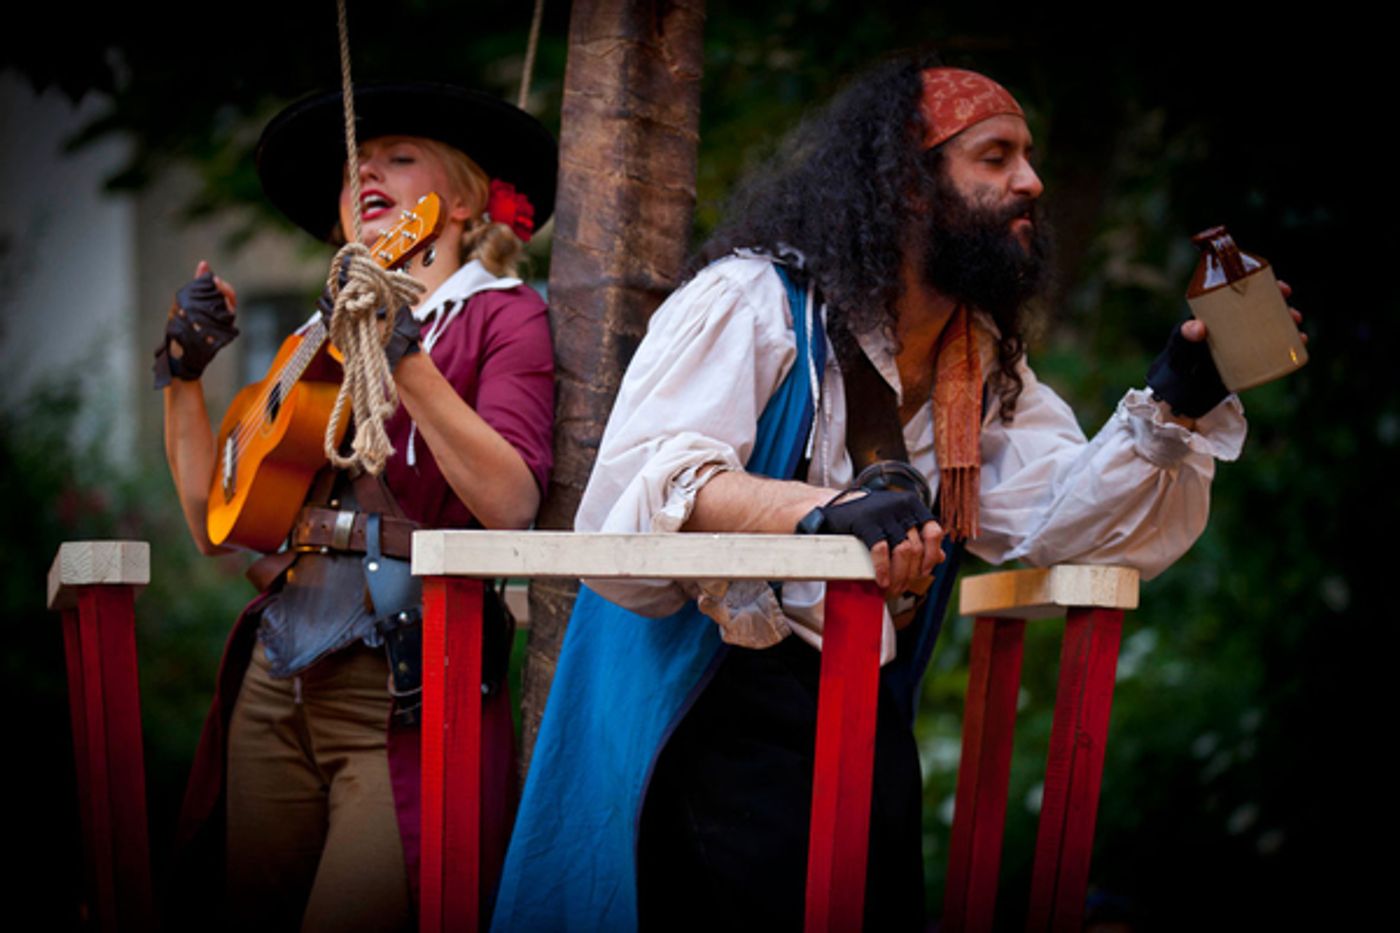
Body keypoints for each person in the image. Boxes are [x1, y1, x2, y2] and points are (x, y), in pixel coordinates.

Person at [492, 55, 1303, 931]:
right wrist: (820, 514)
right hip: (707, 710)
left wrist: (1178, 394)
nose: (1030, 180)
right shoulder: (753, 301)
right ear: (910, 186)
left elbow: (1064, 519)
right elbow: (645, 485)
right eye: (994, 157)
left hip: (863, 712)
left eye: (1027, 155)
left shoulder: (979, 359)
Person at [157, 83, 557, 931]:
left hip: (406, 688)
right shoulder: (315, 339)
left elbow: (513, 501)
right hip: (277, 676)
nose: (365, 168)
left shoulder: (503, 315)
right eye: (353, 166)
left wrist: (403, 354)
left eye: (398, 156)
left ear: (462, 200)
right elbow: (211, 523)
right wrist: (183, 380)